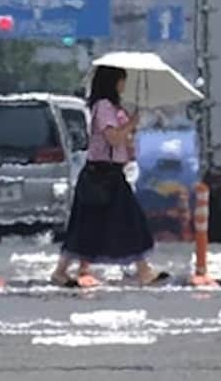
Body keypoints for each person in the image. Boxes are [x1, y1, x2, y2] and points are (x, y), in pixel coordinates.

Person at [50, 65, 168, 288]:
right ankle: (143, 271)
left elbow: (122, 141)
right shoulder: (103, 107)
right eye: (121, 80)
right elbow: (112, 138)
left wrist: (133, 132)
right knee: (128, 221)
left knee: (91, 225)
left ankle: (61, 271)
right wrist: (130, 124)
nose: (123, 85)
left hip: (112, 174)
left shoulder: (114, 108)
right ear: (111, 82)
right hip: (101, 176)